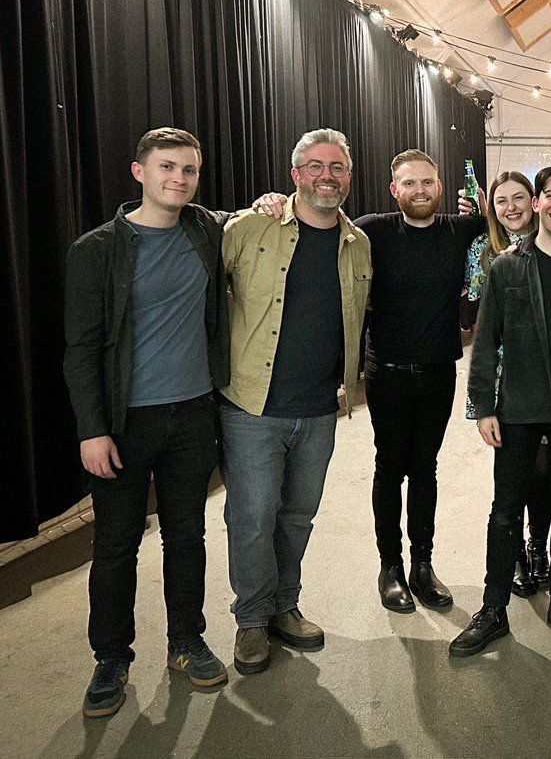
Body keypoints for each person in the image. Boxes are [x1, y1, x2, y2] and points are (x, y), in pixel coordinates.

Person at [64, 128, 230, 717]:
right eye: (167, 167)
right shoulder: (97, 249)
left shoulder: (205, 230)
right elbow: (80, 349)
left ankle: (186, 641)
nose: (178, 179)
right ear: (140, 172)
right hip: (123, 423)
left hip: (193, 415)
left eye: (189, 169)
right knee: (115, 547)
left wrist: (272, 201)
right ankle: (111, 658)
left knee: (188, 536)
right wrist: (91, 427)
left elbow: (247, 216)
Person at [221, 129, 371, 675]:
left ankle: (285, 606)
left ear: (349, 178)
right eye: (314, 166)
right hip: (251, 407)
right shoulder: (250, 228)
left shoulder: (359, 243)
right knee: (252, 517)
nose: (326, 176)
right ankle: (252, 620)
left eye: (336, 167)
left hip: (318, 409)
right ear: (295, 176)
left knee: (298, 517)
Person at [450, 167, 551, 658]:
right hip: (520, 407)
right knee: (505, 512)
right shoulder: (506, 267)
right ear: (539, 203)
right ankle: (493, 608)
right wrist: (482, 407)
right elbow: (486, 342)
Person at [354, 150, 487, 614]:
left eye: (427, 182)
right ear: (395, 190)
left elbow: (511, 231)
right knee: (390, 467)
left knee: (425, 468)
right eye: (409, 184)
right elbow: (316, 226)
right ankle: (389, 567)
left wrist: (487, 209)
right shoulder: (371, 229)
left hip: (437, 373)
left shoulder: (460, 228)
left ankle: (422, 565)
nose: (419, 191)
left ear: (439, 185)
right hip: (385, 373)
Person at [463, 171, 550, 598]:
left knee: (545, 472)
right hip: (503, 379)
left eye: (520, 197)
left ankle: (539, 546)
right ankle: (514, 553)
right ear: (491, 208)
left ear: (534, 201)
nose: (512, 207)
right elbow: (479, 315)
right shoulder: (482, 249)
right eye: (502, 201)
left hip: (548, 377)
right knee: (511, 474)